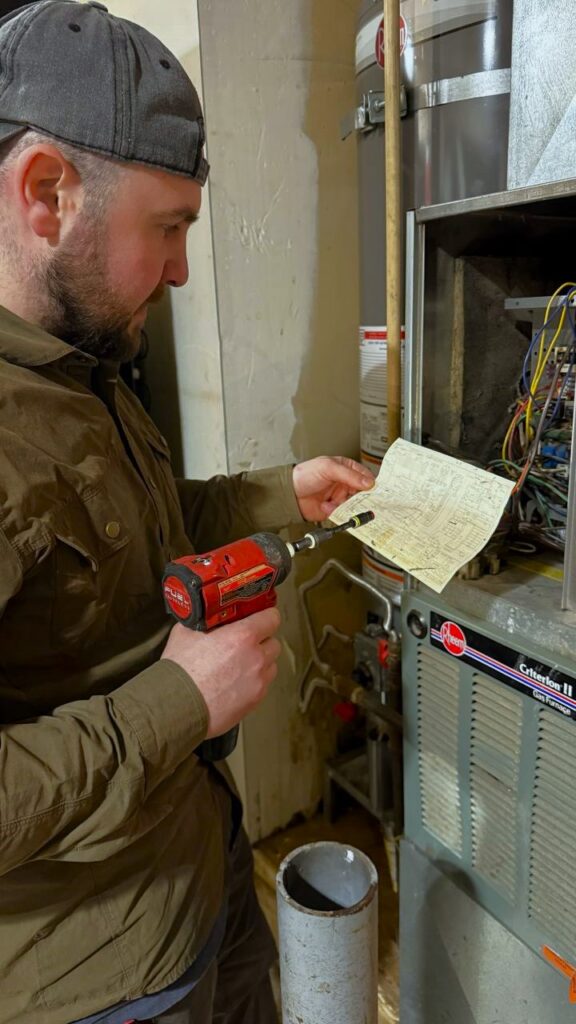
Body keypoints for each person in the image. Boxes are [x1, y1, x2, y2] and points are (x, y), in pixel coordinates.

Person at [0, 3, 374, 1022]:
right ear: (46, 192)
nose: (178, 270)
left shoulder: (89, 361)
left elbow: (153, 534)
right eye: (166, 229)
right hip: (100, 978)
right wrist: (179, 701)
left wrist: (280, 489)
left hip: (206, 875)